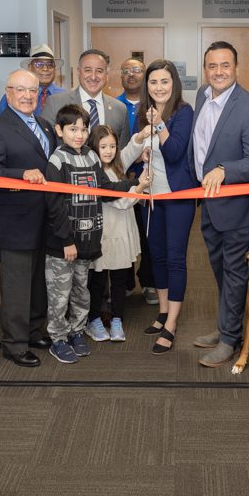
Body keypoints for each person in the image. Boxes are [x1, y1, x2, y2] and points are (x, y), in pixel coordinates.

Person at [43, 104, 147, 364]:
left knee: (82, 291)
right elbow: (54, 204)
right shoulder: (57, 160)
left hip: (88, 242)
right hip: (65, 244)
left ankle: (77, 331)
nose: (79, 134)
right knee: (60, 293)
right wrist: (66, 240)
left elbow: (106, 187)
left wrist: (134, 184)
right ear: (59, 130)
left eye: (83, 129)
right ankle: (58, 338)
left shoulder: (91, 156)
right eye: (72, 129)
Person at [189, 41, 249, 368]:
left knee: (235, 273)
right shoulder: (201, 96)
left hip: (235, 207)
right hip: (209, 204)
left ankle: (229, 340)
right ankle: (227, 326)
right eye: (212, 66)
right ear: (205, 69)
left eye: (225, 65)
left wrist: (224, 170)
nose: (218, 72)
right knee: (220, 271)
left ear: (236, 68)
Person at [0, 69, 59, 368]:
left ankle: (34, 329)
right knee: (16, 286)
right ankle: (14, 343)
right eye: (20, 90)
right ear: (8, 93)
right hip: (13, 222)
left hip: (42, 219)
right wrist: (20, 174)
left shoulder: (46, 126)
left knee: (38, 283)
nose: (27, 96)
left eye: (32, 91)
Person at [121, 59, 195, 355]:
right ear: (146, 86)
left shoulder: (183, 112)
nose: (159, 87)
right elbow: (129, 156)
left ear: (173, 84)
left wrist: (159, 125)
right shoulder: (142, 114)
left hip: (177, 197)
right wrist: (140, 145)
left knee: (175, 259)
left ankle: (172, 324)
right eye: (153, 82)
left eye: (164, 81)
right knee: (158, 257)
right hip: (150, 198)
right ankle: (163, 311)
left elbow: (176, 152)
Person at [85, 125, 149, 343]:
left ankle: (117, 319)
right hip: (104, 237)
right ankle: (93, 319)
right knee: (98, 280)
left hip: (123, 236)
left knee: (120, 280)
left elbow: (131, 150)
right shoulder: (94, 172)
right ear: (93, 147)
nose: (109, 151)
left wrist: (140, 137)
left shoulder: (118, 166)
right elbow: (120, 202)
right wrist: (138, 189)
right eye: (103, 146)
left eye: (112, 146)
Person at [115, 57, 158, 306]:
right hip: (121, 181)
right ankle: (127, 282)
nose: (131, 75)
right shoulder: (113, 106)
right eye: (126, 71)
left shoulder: (154, 104)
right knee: (123, 232)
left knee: (148, 234)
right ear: (120, 76)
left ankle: (149, 281)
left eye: (137, 70)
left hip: (147, 180)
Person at [41, 49, 131, 148]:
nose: (93, 76)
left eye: (99, 71)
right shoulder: (55, 103)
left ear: (106, 75)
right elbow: (44, 145)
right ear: (79, 72)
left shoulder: (120, 109)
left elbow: (122, 152)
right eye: (88, 70)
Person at [0, 43, 66, 116]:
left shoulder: (64, 96)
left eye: (50, 65)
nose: (45, 69)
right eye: (39, 64)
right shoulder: (14, 94)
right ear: (30, 68)